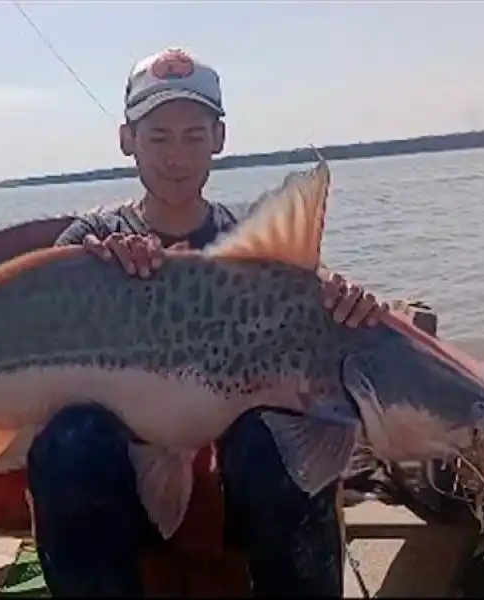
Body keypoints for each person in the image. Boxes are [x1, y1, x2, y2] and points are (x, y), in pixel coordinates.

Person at [25, 47, 389, 597]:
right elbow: (32, 343)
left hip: (243, 494)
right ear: (127, 140)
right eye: (158, 137)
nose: (176, 157)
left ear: (219, 138)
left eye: (193, 137)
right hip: (115, 497)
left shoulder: (256, 252)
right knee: (70, 444)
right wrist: (91, 274)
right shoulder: (90, 243)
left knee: (277, 442)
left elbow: (318, 335)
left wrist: (347, 303)